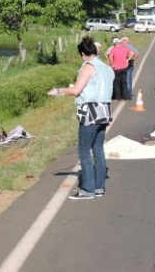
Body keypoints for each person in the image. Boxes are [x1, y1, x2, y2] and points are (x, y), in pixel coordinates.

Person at [48, 36, 114, 200]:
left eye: (81, 55)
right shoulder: (107, 68)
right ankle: (99, 187)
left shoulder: (88, 66)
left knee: (84, 151)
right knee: (98, 150)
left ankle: (87, 190)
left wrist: (58, 91)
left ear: (83, 54)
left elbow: (76, 90)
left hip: (90, 111)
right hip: (104, 110)